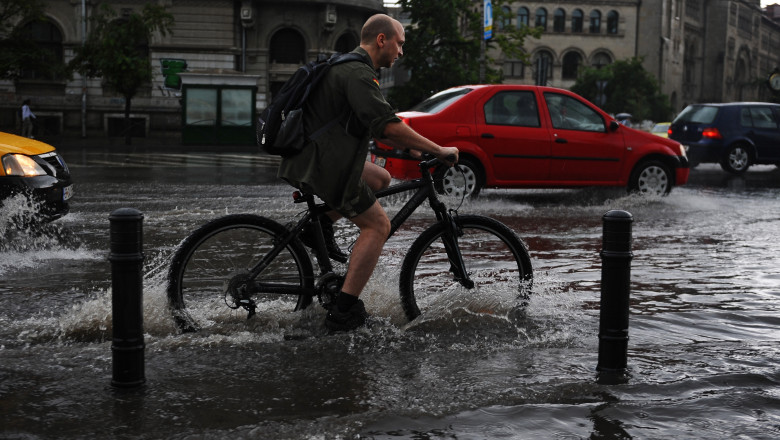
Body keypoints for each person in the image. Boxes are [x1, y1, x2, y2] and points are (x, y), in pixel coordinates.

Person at [277, 13, 459, 332]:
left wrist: (413, 148)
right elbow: (387, 125)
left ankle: (321, 224)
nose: (401, 52)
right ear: (381, 40)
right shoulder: (358, 73)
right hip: (324, 163)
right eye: (399, 44)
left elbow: (374, 123)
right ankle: (342, 313)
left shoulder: (350, 66)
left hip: (317, 156)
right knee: (378, 226)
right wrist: (438, 150)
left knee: (380, 178)